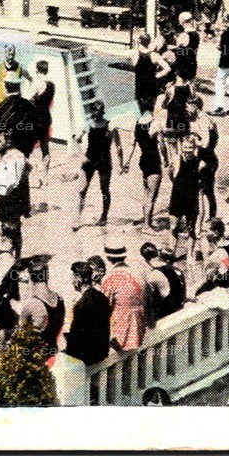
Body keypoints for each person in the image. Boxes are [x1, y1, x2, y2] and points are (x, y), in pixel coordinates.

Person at [54, 260, 111, 405]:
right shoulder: (102, 298)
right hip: (101, 351)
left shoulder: (81, 304)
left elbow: (76, 339)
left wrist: (66, 342)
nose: (72, 281)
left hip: (87, 356)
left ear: (78, 279)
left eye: (73, 277)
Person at [74, 111, 124, 230]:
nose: (94, 119)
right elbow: (76, 140)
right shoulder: (88, 124)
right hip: (89, 161)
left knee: (104, 190)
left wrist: (121, 164)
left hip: (104, 162)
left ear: (101, 114)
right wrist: (81, 155)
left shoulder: (110, 127)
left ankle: (104, 216)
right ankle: (76, 219)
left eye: (96, 117)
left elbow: (119, 147)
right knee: (82, 190)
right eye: (94, 117)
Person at [100, 243, 147, 352]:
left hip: (122, 335)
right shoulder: (137, 273)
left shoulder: (109, 278)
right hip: (140, 329)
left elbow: (105, 309)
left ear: (108, 258)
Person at [0, 129, 31, 250]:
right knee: (17, 228)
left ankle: (9, 257)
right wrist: (23, 180)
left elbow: (6, 184)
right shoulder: (20, 154)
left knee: (7, 230)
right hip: (20, 195)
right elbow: (29, 168)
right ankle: (18, 256)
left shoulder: (7, 158)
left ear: (8, 141)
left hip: (9, 197)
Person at [132, 112, 165, 230]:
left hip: (143, 159)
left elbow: (133, 142)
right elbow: (161, 145)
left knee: (147, 193)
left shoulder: (138, 123)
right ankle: (146, 225)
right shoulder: (155, 123)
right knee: (152, 195)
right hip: (153, 159)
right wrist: (166, 158)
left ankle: (148, 220)